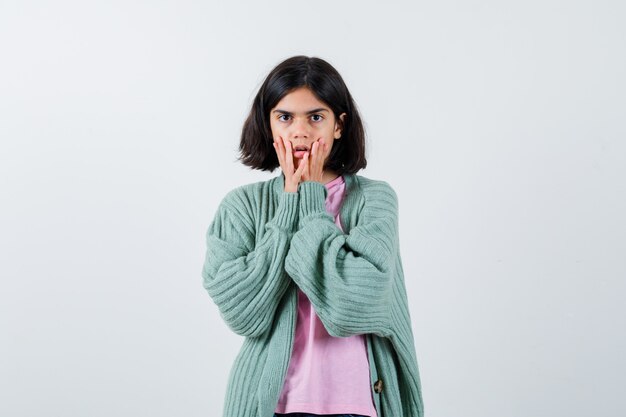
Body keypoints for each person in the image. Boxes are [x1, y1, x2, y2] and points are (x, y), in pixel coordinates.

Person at [201, 55, 424, 417]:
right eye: (285, 117)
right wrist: (290, 202)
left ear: (339, 125)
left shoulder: (374, 200)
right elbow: (243, 314)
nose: (300, 131)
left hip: (360, 405)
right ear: (269, 125)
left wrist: (309, 200)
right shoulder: (242, 206)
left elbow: (353, 305)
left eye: (316, 117)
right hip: (270, 404)